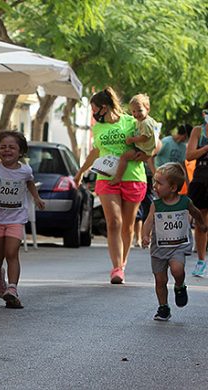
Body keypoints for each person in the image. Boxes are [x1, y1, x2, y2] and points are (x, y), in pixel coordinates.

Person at [75, 87, 147, 284]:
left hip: (132, 177)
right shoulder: (98, 128)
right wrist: (81, 171)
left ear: (104, 107)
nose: (93, 114)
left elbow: (152, 139)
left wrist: (147, 154)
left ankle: (122, 263)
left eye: (94, 109)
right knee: (114, 222)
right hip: (106, 178)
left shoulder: (131, 121)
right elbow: (95, 152)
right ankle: (116, 269)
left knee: (128, 225)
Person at [0, 131, 45, 308]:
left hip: (16, 217)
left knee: (12, 253)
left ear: (20, 151)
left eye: (12, 147)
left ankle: (12, 288)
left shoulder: (25, 170)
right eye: (3, 147)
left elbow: (29, 182)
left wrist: (36, 198)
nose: (7, 150)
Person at [142, 163, 207, 321]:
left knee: (177, 269)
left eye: (159, 183)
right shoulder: (155, 205)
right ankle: (163, 307)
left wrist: (202, 224)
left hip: (177, 245)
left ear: (173, 187)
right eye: (155, 182)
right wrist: (145, 235)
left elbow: (196, 212)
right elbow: (148, 222)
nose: (155, 186)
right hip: (159, 248)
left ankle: (179, 285)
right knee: (160, 280)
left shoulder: (185, 202)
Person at [110, 94, 157, 185]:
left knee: (124, 157)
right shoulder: (145, 120)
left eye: (139, 110)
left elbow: (144, 138)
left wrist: (132, 140)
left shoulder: (145, 123)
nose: (136, 114)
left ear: (147, 109)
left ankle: (118, 177)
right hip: (145, 149)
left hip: (142, 149)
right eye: (133, 111)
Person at [186, 106, 208, 277]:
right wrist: (206, 148)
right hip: (200, 179)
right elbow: (190, 155)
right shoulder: (198, 131)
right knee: (201, 221)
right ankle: (201, 260)